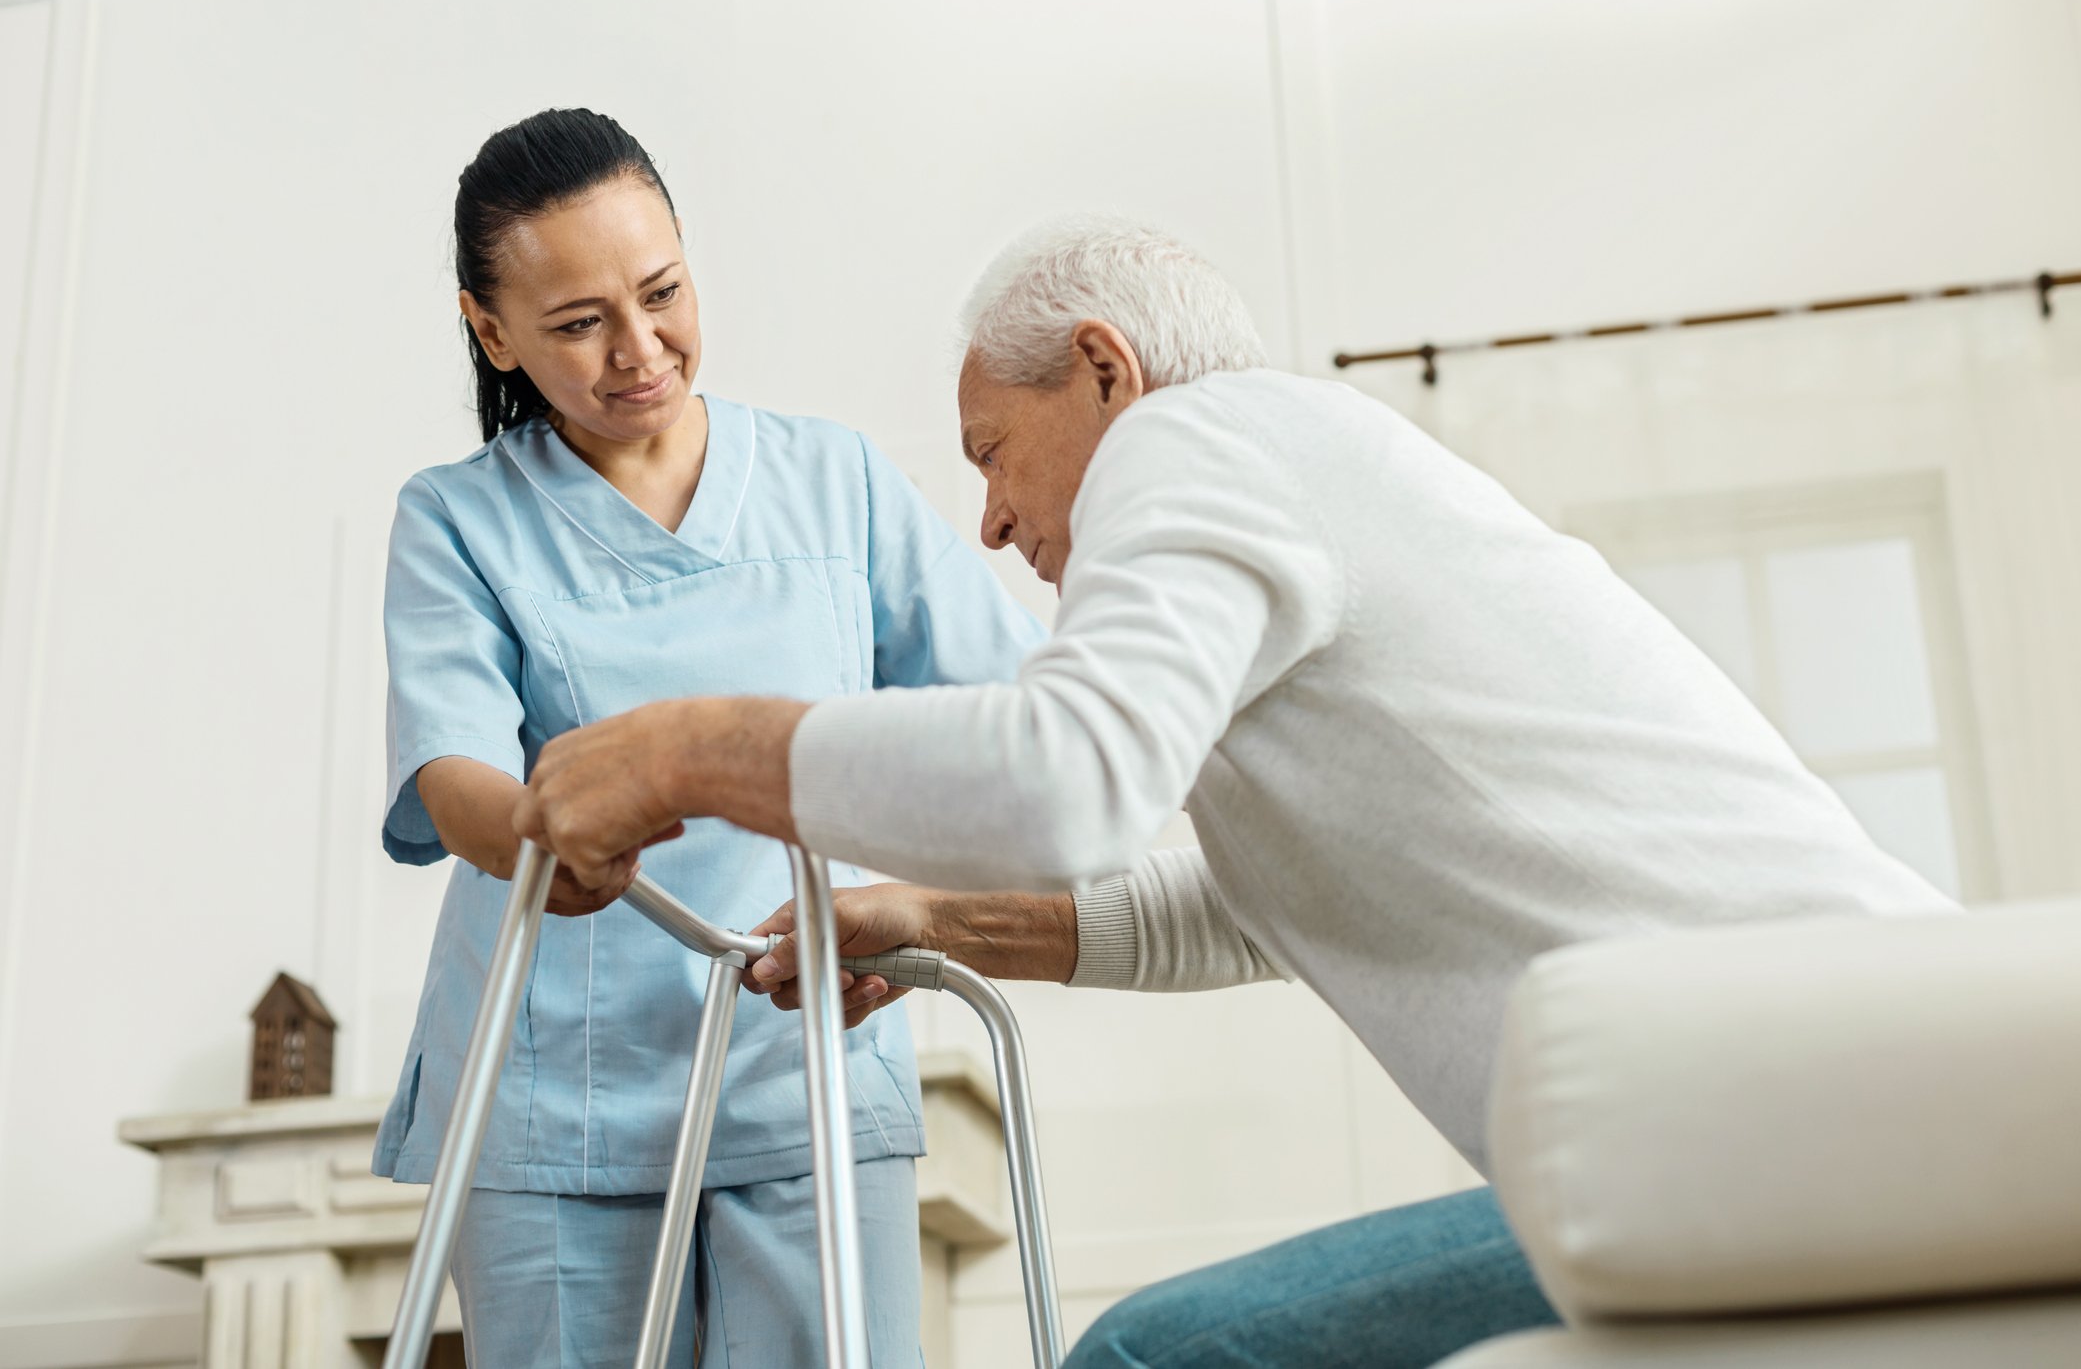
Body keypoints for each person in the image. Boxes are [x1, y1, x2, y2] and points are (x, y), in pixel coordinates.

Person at [512, 215, 1957, 1368]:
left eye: (992, 455)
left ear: (1103, 369)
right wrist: (943, 916)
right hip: (1807, 1109)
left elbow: (1069, 777)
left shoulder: (1200, 441)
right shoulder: (1310, 479)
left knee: (1151, 1353)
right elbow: (1274, 900)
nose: (996, 518)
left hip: (1776, 1127)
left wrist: (688, 749)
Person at [374, 107, 1042, 1368]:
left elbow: (1029, 743)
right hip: (550, 1100)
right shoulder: (457, 521)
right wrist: (542, 830)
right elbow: (452, 771)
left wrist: (928, 904)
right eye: (577, 324)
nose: (639, 350)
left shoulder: (834, 483)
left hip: (808, 1070)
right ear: (489, 327)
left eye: (663, 292)